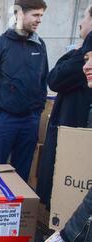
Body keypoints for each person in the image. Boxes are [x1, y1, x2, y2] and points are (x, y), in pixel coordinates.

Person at [0, 0, 49, 182]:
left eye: (41, 15)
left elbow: (43, 80)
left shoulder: (39, 45)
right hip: (6, 119)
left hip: (30, 120)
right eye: (35, 15)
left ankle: (17, 209)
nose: (39, 20)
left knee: (22, 172)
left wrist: (37, 110)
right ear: (20, 14)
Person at [37, 5, 92, 210]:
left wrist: (79, 52)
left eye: (85, 16)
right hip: (74, 133)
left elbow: (55, 78)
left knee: (66, 192)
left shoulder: (84, 50)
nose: (81, 22)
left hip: (74, 137)